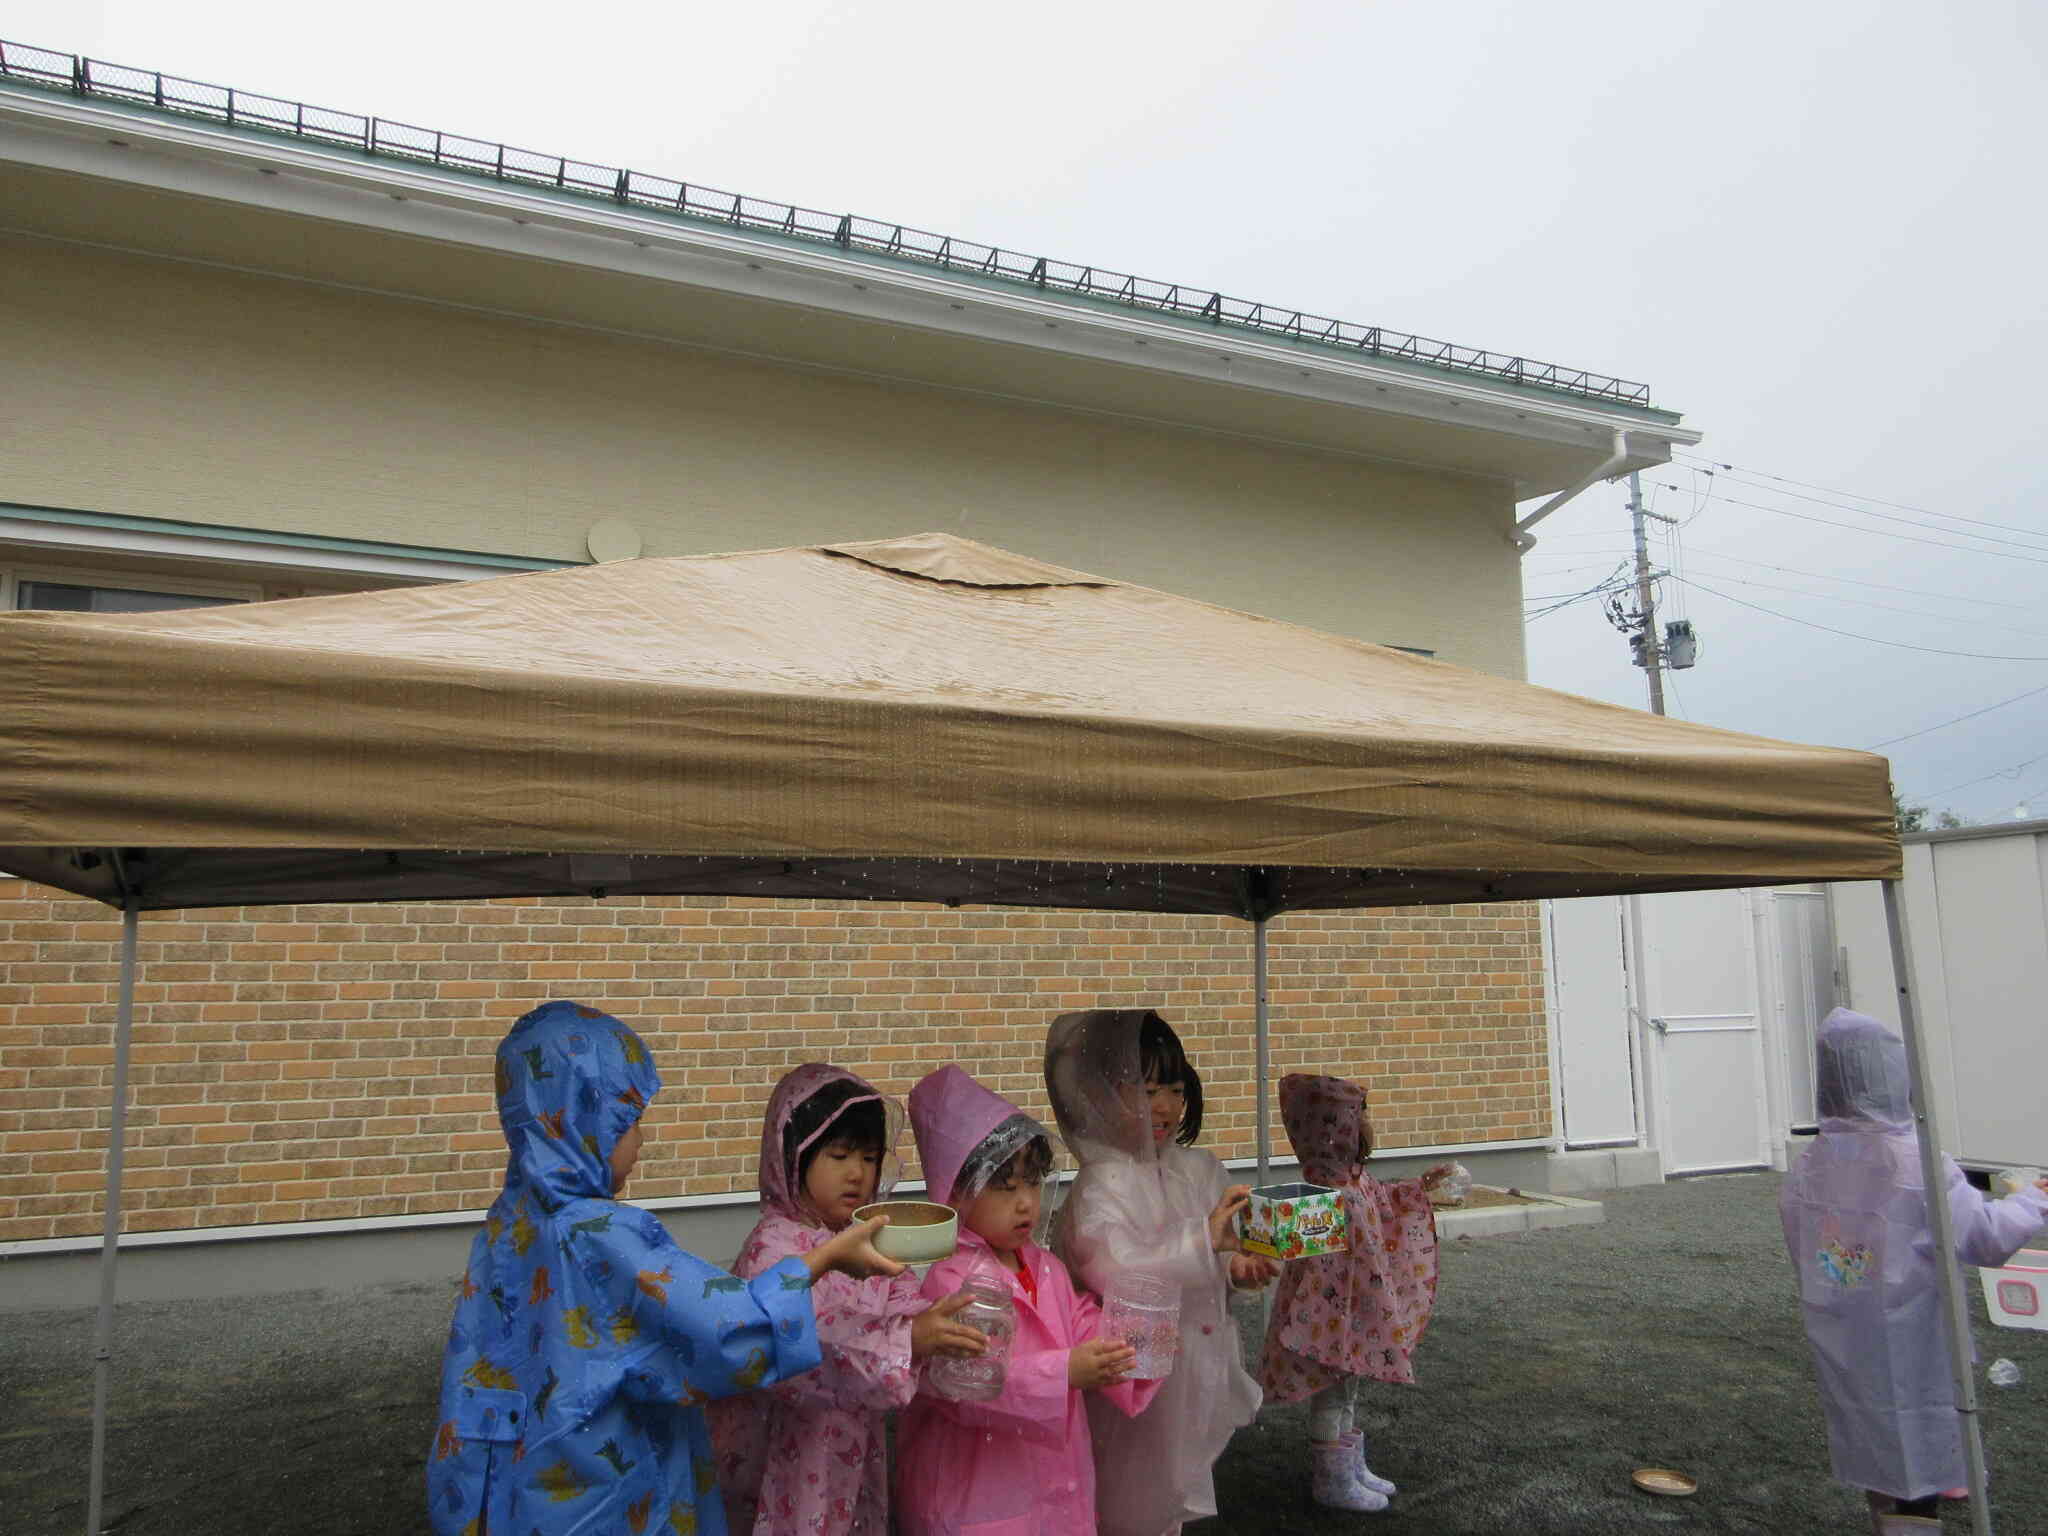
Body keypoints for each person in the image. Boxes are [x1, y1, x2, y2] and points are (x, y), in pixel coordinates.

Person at [427, 1001, 901, 1536]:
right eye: (627, 1122)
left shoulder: (506, 1228)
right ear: (578, 1121)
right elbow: (722, 1328)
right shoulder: (601, 1237)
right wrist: (823, 1261)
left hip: (524, 1487)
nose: (640, 1140)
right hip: (607, 1492)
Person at [1779, 1008, 2048, 1535]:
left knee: (1878, 1448)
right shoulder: (1917, 1161)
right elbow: (1984, 1238)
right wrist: (2031, 1205)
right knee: (1919, 1454)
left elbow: (1805, 1248)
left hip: (1845, 1334)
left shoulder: (1811, 1163)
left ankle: (1890, 1520)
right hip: (1914, 1335)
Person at [712, 1064, 985, 1536]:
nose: (858, 1173)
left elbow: (899, 1295)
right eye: (839, 1155)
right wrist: (908, 1341)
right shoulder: (774, 1247)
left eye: (870, 1157)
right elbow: (811, 1349)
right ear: (793, 1158)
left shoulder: (863, 1236)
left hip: (851, 1458)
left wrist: (932, 1324)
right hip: (787, 1459)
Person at [894, 1064, 1160, 1536]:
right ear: (955, 1191)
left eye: (1033, 1183)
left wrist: (1125, 1344)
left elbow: (1080, 1322)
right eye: (1005, 1187)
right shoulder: (951, 1280)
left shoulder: (1045, 1267)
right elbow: (966, 1386)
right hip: (976, 1489)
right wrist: (1065, 1372)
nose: (1025, 1204)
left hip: (1048, 1481)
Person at [1044, 1010, 1269, 1536]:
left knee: (1175, 1487)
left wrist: (1239, 1265)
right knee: (1129, 1497)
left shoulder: (1199, 1169)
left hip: (1198, 1362)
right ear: (1097, 1097)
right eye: (1146, 1090)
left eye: (1173, 1087)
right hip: (1135, 1377)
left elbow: (1221, 1252)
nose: (1165, 1105)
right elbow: (1113, 1266)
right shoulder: (1101, 1186)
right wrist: (1202, 1240)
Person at [1256, 1072, 1451, 1513]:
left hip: (1348, 1310)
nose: (1368, 1122)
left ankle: (1349, 1465)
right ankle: (1332, 1478)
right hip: (1330, 1315)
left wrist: (1419, 1190)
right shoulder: (1333, 1192)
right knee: (1331, 1389)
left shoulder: (1350, 1182)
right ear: (1334, 1125)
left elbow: (1383, 1203)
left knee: (1346, 1388)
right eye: (1360, 1113)